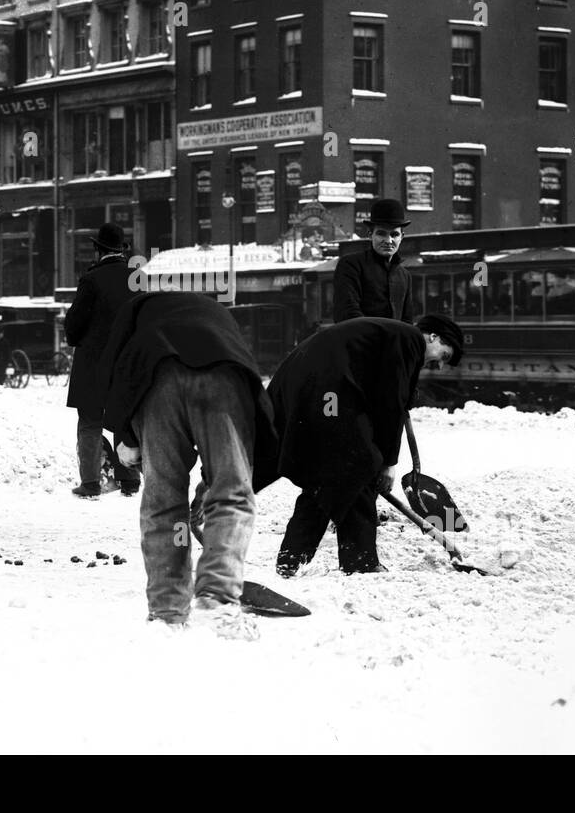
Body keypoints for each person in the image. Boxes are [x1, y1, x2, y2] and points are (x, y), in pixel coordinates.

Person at [99, 291, 280, 633]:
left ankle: (167, 614)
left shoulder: (135, 312)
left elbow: (113, 363)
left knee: (164, 505)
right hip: (222, 377)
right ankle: (217, 594)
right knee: (231, 494)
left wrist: (125, 433)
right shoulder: (215, 315)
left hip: (157, 382)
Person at [269, 313, 464, 577]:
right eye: (443, 356)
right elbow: (390, 404)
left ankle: (292, 559)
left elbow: (381, 394)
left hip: (312, 387)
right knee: (360, 464)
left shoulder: (395, 337)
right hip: (328, 392)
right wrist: (387, 463)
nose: (439, 366)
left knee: (329, 477)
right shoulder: (407, 341)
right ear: (434, 337)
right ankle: (359, 562)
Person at [63, 222, 141, 498]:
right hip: (126, 364)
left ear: (98, 250)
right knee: (124, 419)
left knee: (90, 422)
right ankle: (129, 479)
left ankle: (91, 482)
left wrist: (73, 336)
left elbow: (75, 323)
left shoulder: (92, 280)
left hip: (95, 365)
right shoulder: (137, 278)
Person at [333, 198, 414, 323]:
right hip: (360, 340)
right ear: (370, 235)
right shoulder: (351, 265)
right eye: (381, 234)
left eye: (394, 235)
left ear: (402, 237)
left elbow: (407, 320)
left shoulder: (404, 275)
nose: (388, 241)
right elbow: (347, 313)